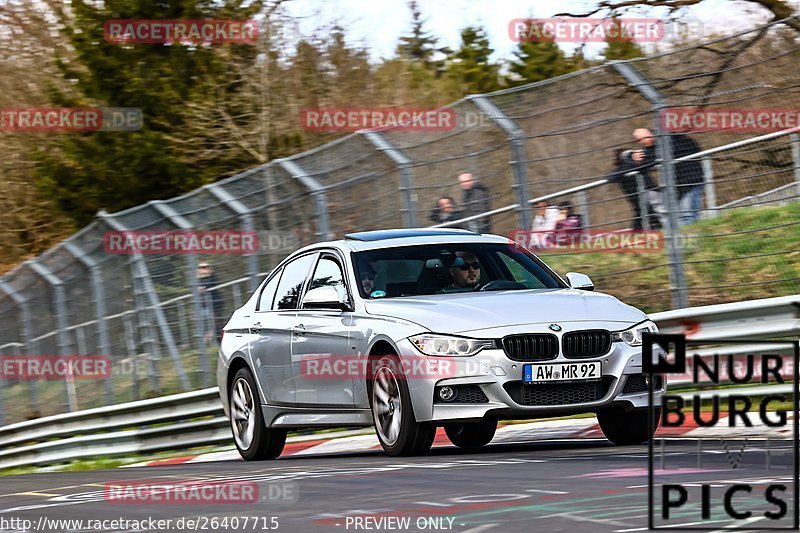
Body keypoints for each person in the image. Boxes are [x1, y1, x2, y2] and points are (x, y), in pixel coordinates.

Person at [632, 127, 704, 225]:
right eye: (638, 140)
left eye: (643, 138)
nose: (642, 142)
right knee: (684, 215)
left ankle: (689, 238)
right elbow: (646, 162)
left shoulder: (670, 141)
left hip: (690, 180)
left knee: (687, 215)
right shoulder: (655, 147)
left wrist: (639, 160)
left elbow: (650, 160)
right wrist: (637, 160)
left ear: (651, 134)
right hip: (678, 184)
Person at [608, 147, 661, 230]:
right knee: (643, 217)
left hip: (650, 196)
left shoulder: (641, 165)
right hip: (638, 200)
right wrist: (631, 163)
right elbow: (611, 177)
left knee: (653, 216)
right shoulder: (623, 169)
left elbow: (653, 161)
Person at [197, 262, 224, 344]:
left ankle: (217, 339)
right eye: (201, 267)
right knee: (207, 323)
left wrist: (204, 287)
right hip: (204, 305)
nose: (203, 269)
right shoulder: (199, 279)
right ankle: (213, 338)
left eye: (205, 267)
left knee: (216, 322)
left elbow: (212, 283)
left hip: (215, 303)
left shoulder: (213, 277)